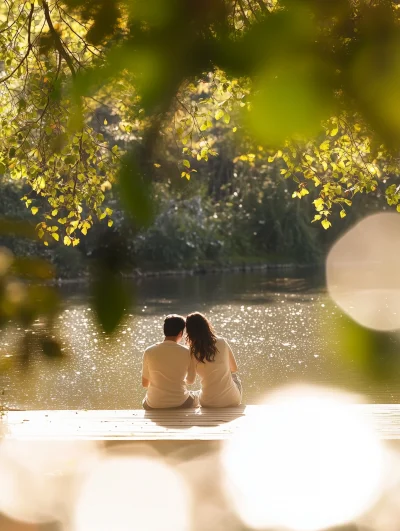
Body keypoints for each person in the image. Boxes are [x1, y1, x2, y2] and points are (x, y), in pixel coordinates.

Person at [141, 314, 199, 410]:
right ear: (180, 333)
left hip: (153, 404)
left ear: (165, 331)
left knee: (145, 400)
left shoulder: (149, 351)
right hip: (180, 402)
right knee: (197, 395)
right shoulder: (188, 352)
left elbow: (145, 384)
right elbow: (190, 381)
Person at [185, 312, 242, 408]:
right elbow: (234, 368)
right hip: (232, 400)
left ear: (189, 331)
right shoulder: (222, 342)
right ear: (206, 326)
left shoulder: (191, 351)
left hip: (207, 402)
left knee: (199, 391)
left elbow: (190, 380)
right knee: (234, 377)